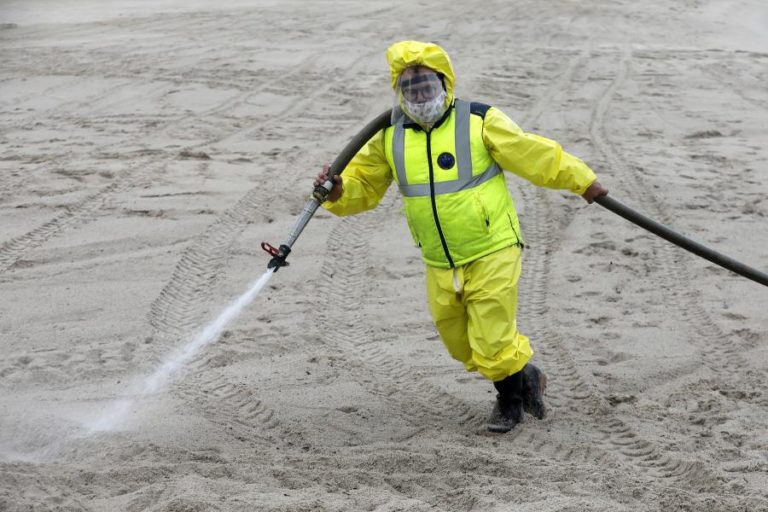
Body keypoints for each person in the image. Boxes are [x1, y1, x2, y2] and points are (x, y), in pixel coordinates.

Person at [314, 40, 608, 433]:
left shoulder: (479, 120)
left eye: (427, 86)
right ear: (399, 93)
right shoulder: (390, 136)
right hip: (438, 258)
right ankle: (526, 375)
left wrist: (583, 181)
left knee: (491, 339)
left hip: (493, 248)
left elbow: (533, 154)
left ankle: (509, 402)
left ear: (445, 83)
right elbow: (363, 185)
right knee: (460, 343)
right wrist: (337, 192)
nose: (420, 96)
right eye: (410, 89)